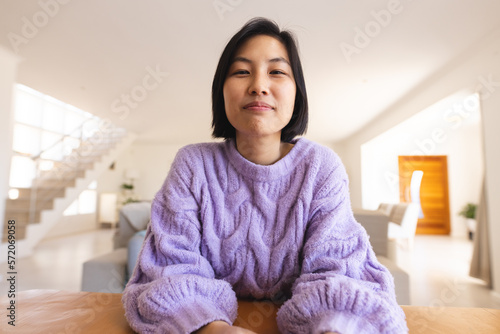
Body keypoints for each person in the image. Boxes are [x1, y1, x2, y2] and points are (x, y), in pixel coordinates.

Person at [122, 18, 408, 334]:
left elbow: (338, 269)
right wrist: (213, 329)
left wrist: (332, 327)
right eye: (242, 71)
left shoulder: (320, 167)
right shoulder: (192, 164)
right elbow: (170, 268)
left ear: (297, 92)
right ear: (222, 90)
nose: (259, 85)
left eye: (277, 72)